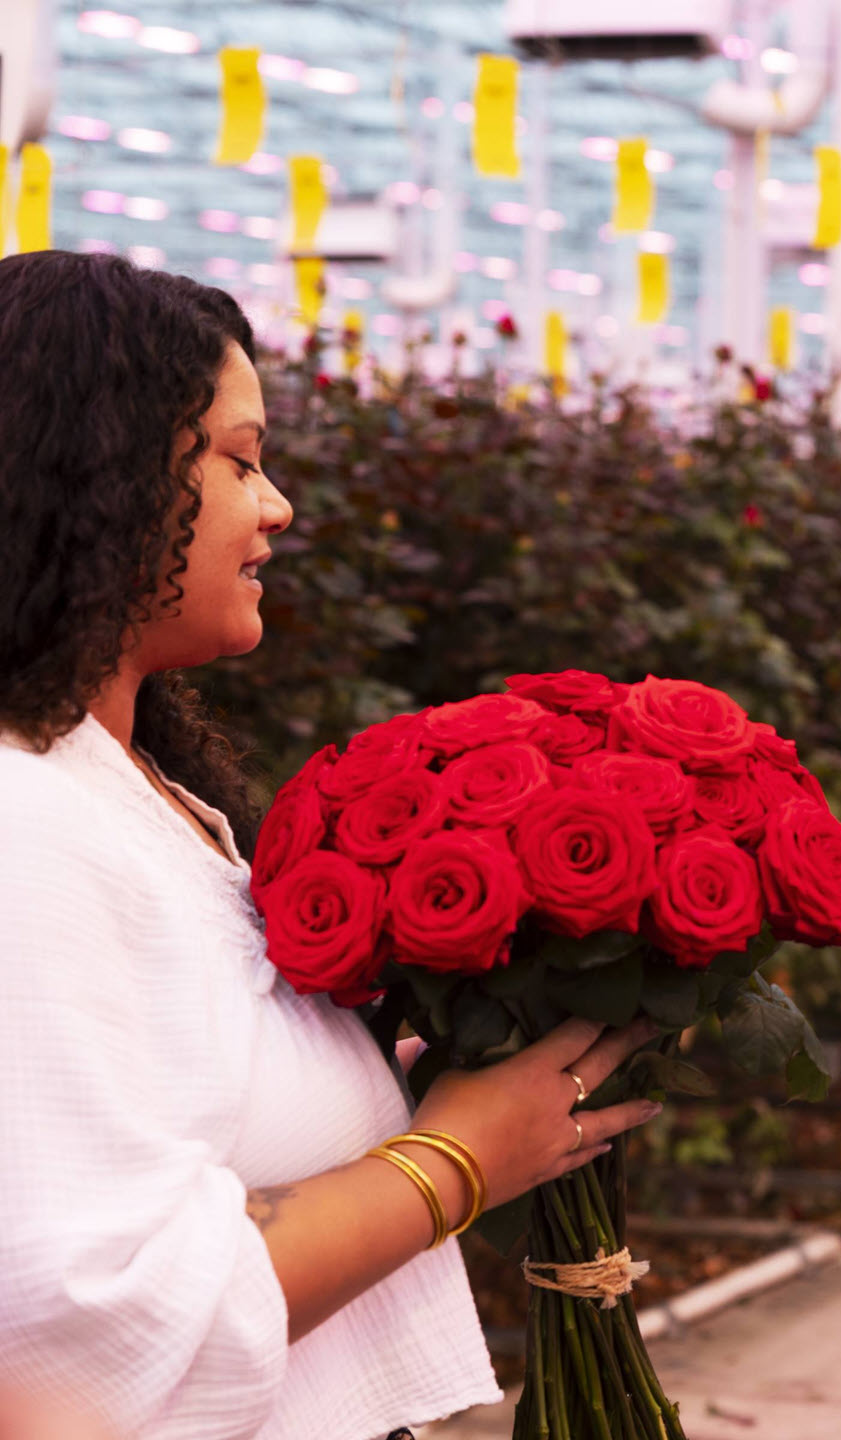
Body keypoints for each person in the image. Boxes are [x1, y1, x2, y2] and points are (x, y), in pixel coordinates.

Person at [0, 251, 666, 1439]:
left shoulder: (137, 792)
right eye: (240, 459)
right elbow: (80, 1321)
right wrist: (458, 1156)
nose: (277, 504)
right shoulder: (25, 823)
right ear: (92, 474)